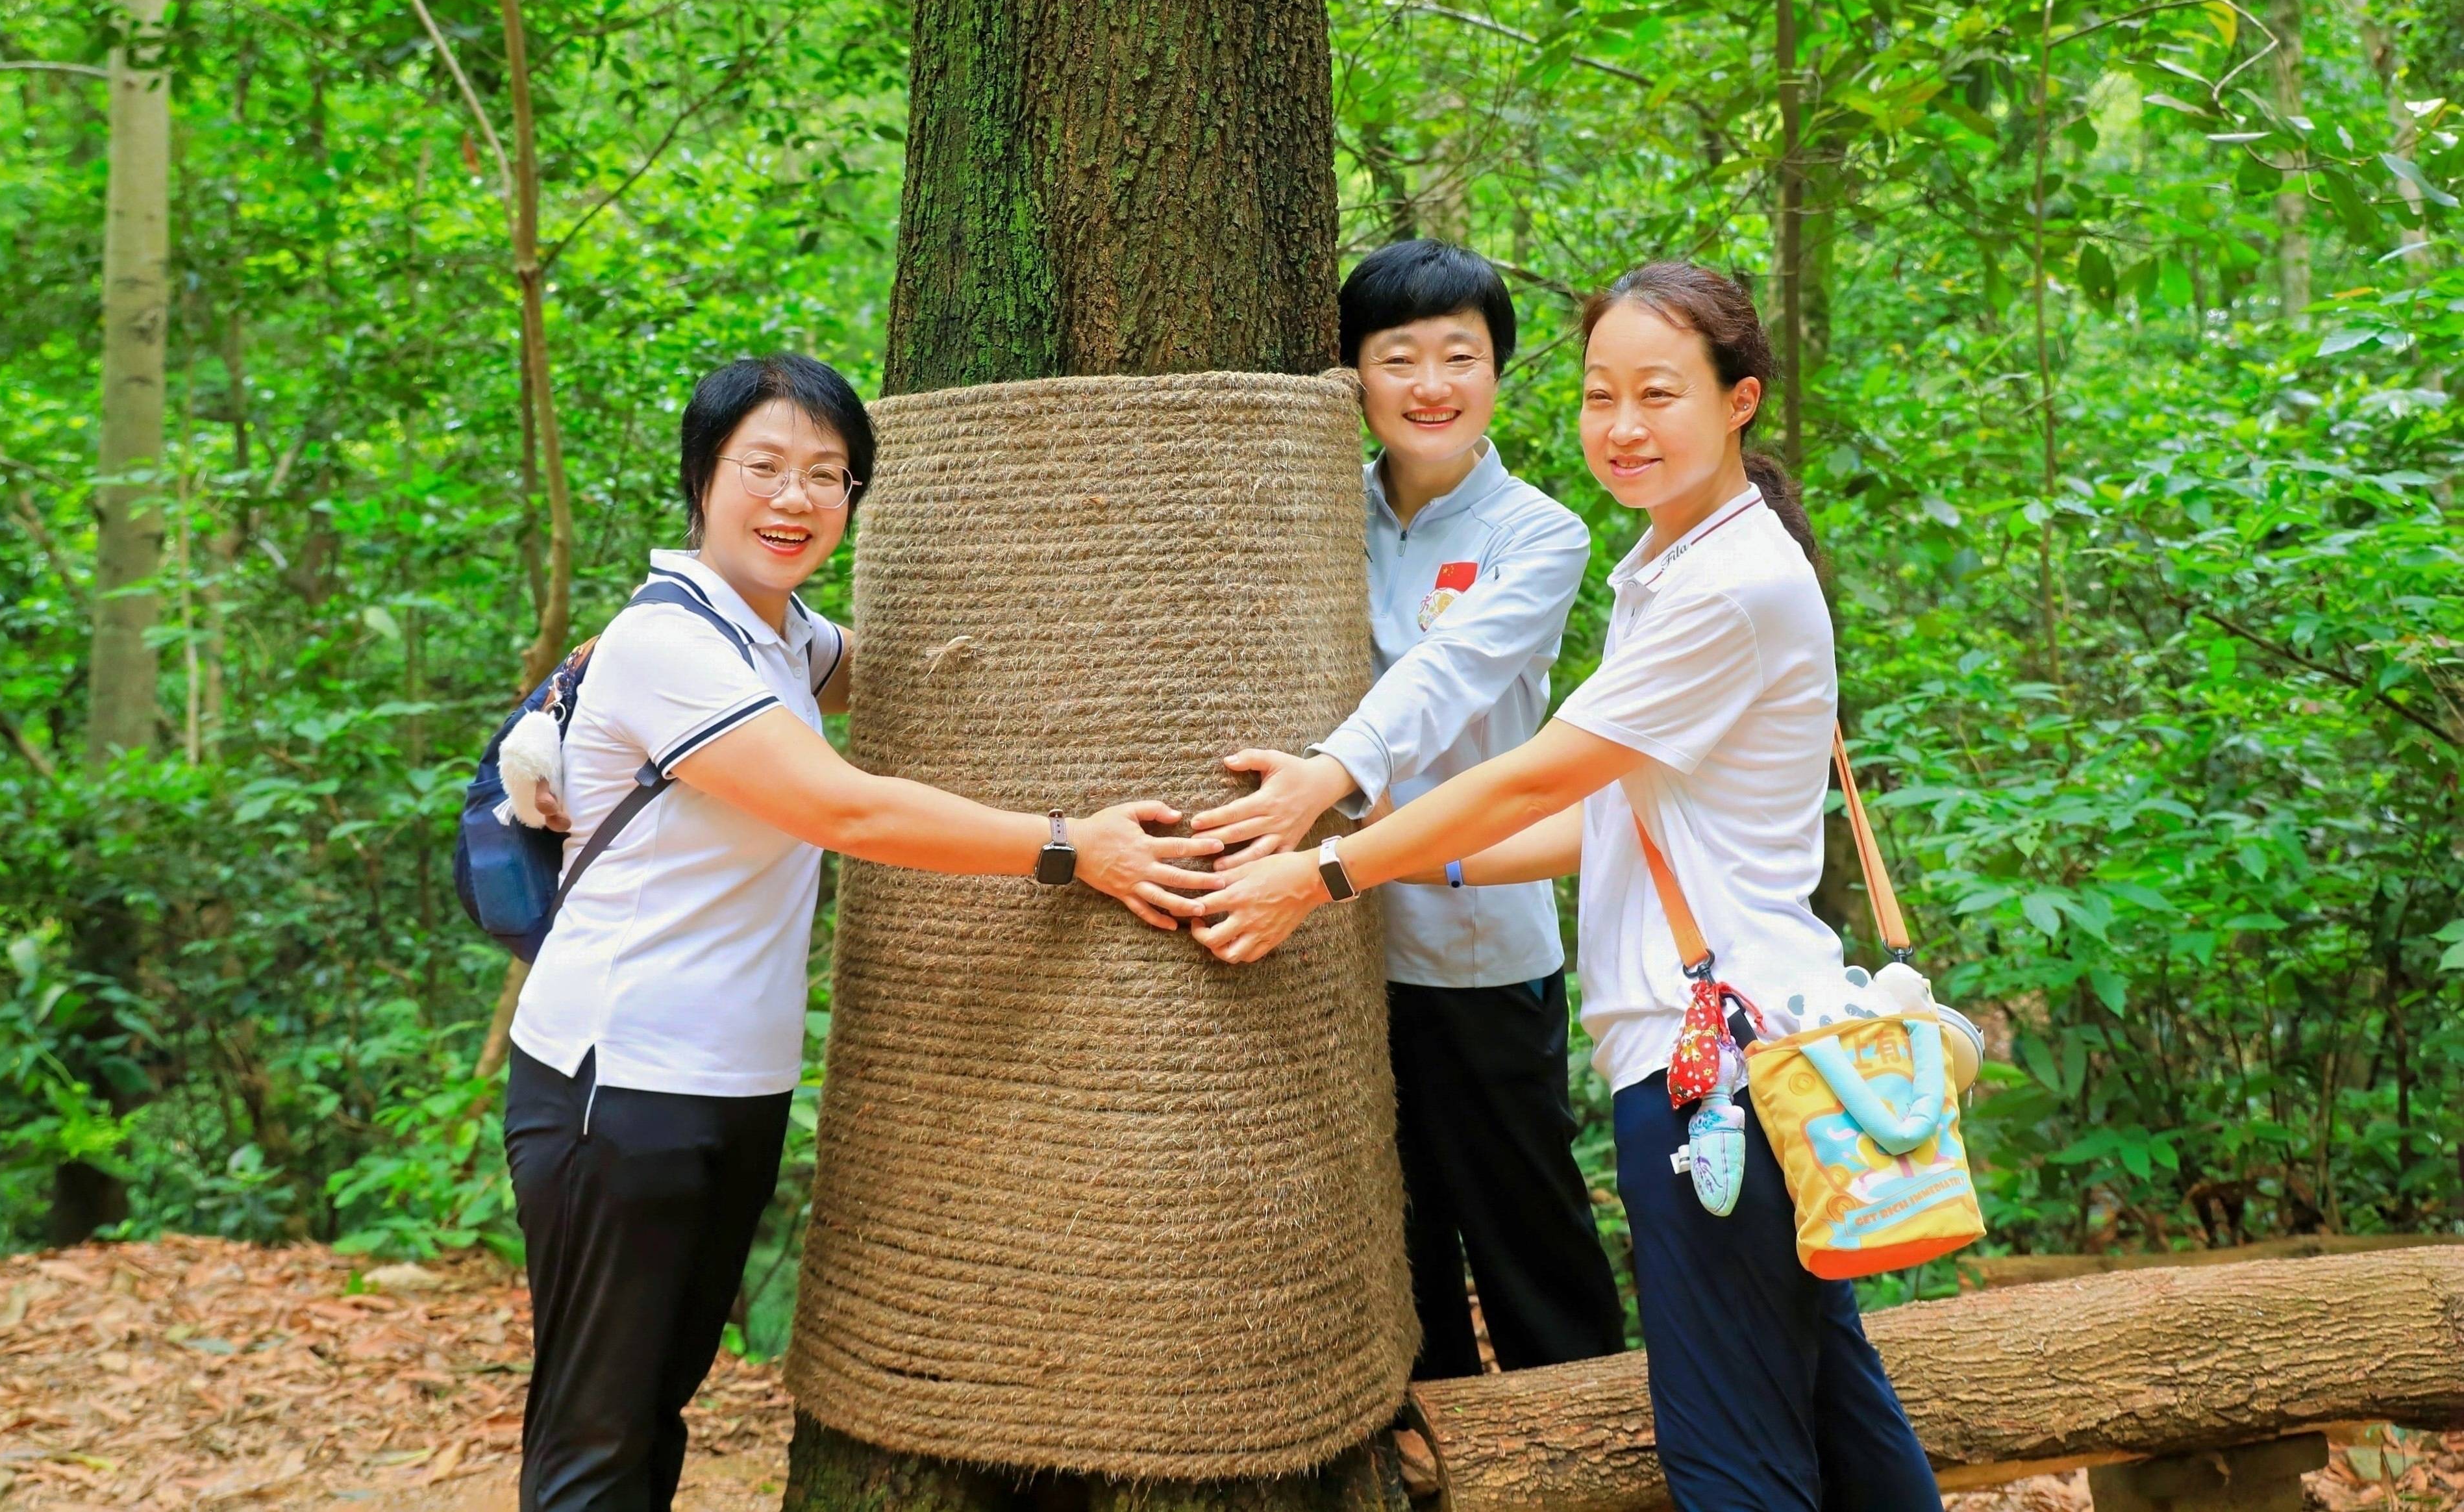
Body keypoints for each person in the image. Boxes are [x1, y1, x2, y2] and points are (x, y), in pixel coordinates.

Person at [1185, 264, 1942, 1511]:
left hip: (1716, 1069)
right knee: (1832, 1405)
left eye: (1661, 394)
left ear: (1740, 400)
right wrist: (1386, 852)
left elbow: (1536, 776)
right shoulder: (1669, 563)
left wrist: (1319, 868)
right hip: (1761, 1049)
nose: (1625, 426)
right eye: (1602, 396)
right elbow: (1608, 822)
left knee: (1731, 1448)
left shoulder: (1724, 585)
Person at [503, 353, 1224, 1512]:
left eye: (828, 477)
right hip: (615, 1081)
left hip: (724, 1086)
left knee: (654, 1401)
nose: (794, 499)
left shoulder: (781, 640)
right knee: (597, 1428)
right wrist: (1068, 844)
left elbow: (910, 666)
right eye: (765, 468)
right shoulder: (670, 643)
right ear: (702, 477)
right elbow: (844, 806)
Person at [1190, 238, 1624, 1379]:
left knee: (1524, 1231)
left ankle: (1597, 1460)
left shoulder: (1536, 533)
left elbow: (1448, 681)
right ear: (1353, 377)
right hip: (1324, 942)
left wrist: (1327, 776)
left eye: (1459, 357)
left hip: (1472, 942)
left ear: (1496, 371)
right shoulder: (1316, 512)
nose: (1430, 385)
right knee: (1393, 1243)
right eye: (1399, 358)